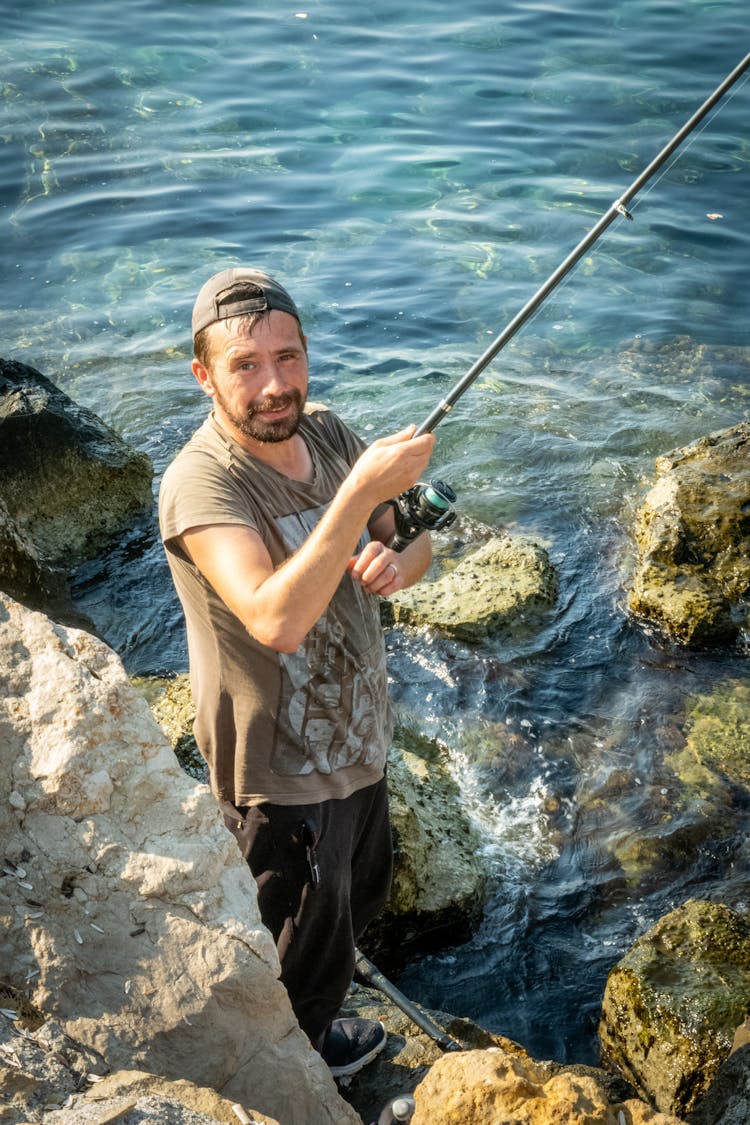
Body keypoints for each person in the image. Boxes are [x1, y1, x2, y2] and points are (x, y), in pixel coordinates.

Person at [158, 266, 435, 1078]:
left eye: (289, 357)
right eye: (246, 364)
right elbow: (275, 618)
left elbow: (412, 542)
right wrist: (357, 497)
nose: (275, 385)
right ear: (203, 374)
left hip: (359, 742)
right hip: (280, 778)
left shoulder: (328, 431)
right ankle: (299, 1076)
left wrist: (399, 555)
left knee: (358, 905)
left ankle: (317, 1041)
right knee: (295, 960)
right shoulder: (199, 481)